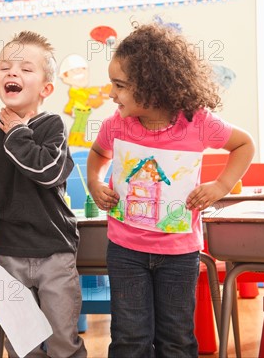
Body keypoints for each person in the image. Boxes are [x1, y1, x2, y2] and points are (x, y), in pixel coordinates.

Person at [86, 23, 255, 357]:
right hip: (125, 251)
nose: (111, 93)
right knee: (129, 339)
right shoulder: (115, 124)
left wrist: (220, 185)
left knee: (176, 339)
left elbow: (244, 144)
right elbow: (96, 154)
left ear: (151, 88)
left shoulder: (198, 122)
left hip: (179, 254)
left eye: (119, 85)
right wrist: (94, 183)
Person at [0, 31, 87, 357]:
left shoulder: (53, 126)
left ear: (46, 88)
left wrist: (19, 132)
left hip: (54, 252)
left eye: (25, 68)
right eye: (5, 67)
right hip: (6, 253)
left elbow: (47, 172)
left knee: (63, 340)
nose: (12, 73)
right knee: (23, 345)